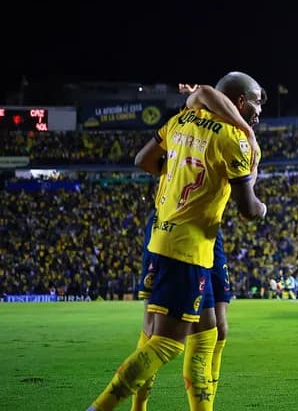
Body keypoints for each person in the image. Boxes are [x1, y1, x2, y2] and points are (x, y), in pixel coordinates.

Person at [87, 71, 267, 411]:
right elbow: (249, 210)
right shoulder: (233, 137)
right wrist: (262, 206)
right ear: (240, 101)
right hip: (189, 244)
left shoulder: (181, 120)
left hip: (163, 232)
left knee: (206, 331)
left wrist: (178, 175)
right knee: (167, 343)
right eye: (256, 101)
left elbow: (144, 160)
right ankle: (100, 408)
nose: (260, 110)